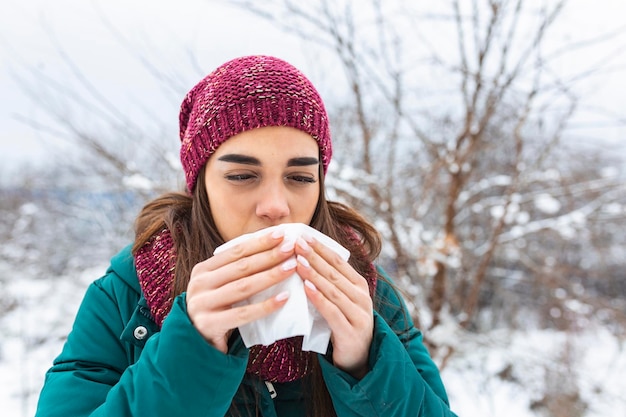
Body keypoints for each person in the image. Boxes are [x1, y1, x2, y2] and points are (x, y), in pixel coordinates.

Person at [34, 55, 457, 417]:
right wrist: (190, 350)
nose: (275, 204)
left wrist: (368, 365)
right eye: (241, 175)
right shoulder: (127, 298)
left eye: (299, 176)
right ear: (200, 184)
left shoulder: (367, 292)